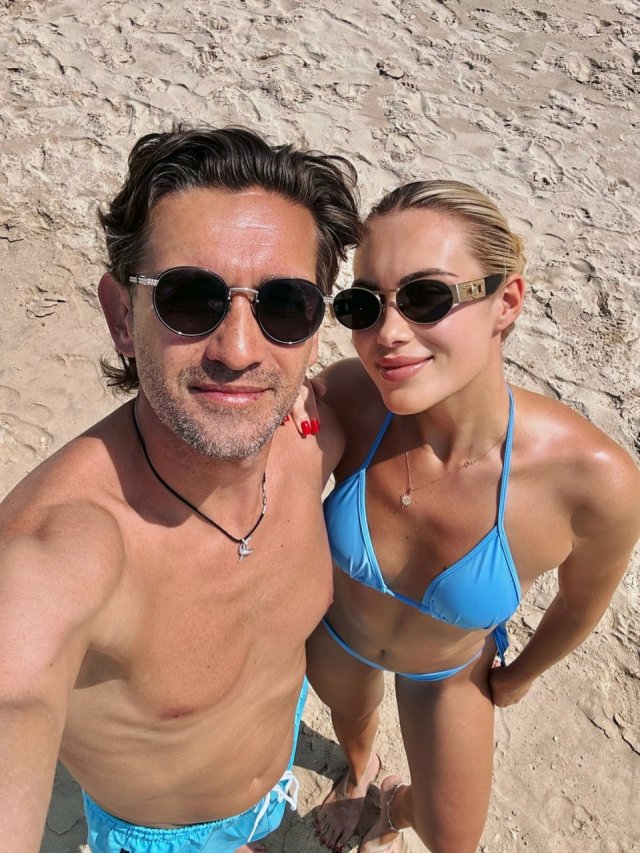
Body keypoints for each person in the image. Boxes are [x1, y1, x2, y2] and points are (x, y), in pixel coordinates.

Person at [0, 126, 362, 853]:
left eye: (285, 305)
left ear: (316, 327)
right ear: (120, 317)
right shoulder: (58, 547)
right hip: (164, 835)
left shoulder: (315, 436)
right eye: (190, 298)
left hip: (274, 776)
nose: (239, 350)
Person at [294, 179, 640, 852]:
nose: (388, 335)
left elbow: (579, 604)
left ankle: (396, 806)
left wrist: (519, 676)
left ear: (506, 302)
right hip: (340, 636)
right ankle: (359, 772)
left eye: (426, 297)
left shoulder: (593, 481)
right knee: (351, 718)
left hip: (446, 667)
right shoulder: (349, 397)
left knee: (453, 835)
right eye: (364, 305)